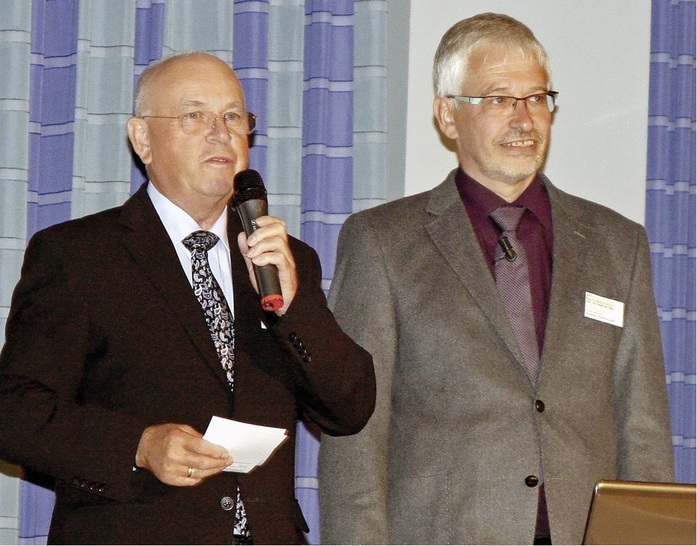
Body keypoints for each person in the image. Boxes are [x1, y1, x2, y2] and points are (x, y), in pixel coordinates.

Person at [318, 12, 674, 545]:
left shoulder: (616, 243)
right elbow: (357, 438)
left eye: (536, 98)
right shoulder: (383, 242)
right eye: (499, 99)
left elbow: (642, 429)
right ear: (447, 115)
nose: (524, 119)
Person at [0, 52, 375, 545]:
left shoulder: (285, 259)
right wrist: (138, 445)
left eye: (233, 116)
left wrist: (292, 308)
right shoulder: (78, 254)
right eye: (194, 115)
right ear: (142, 139)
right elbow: (16, 412)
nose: (220, 131)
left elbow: (349, 408)